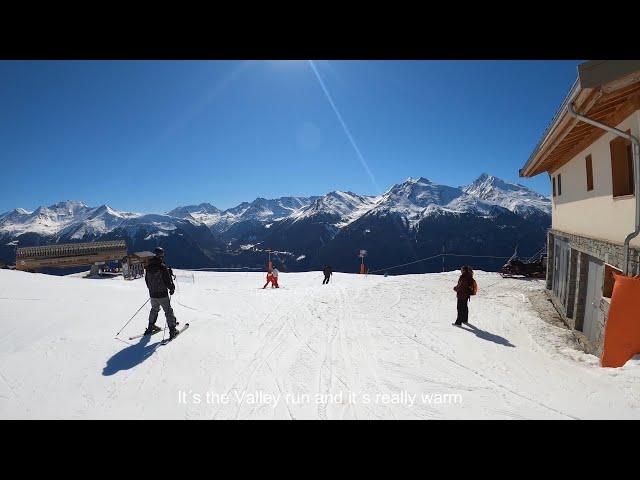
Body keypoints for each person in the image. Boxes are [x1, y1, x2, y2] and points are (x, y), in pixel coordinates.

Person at [144, 247, 179, 339]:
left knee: (154, 309)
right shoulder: (162, 267)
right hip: (162, 293)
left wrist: (152, 289)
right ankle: (172, 330)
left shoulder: (148, 267)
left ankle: (150, 327)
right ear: (161, 255)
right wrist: (172, 288)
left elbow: (147, 280)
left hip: (152, 294)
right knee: (168, 311)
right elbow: (167, 281)